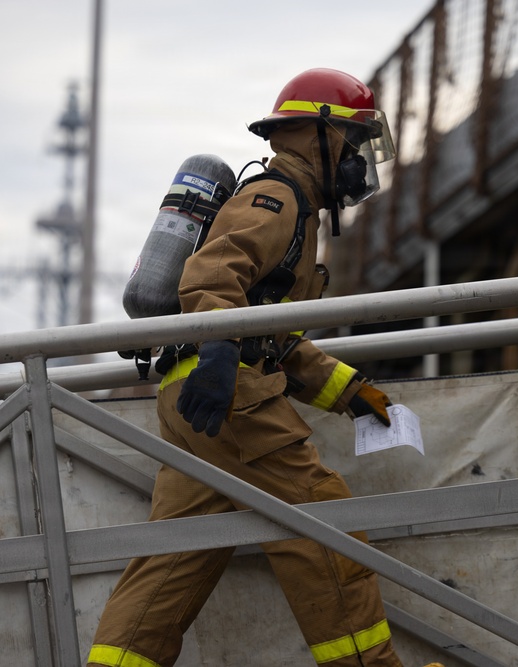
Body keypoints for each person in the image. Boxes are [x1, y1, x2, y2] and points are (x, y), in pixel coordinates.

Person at [88, 68, 442, 667]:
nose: (359, 164)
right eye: (353, 147)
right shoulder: (276, 199)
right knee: (324, 523)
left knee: (174, 558)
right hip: (229, 398)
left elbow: (271, 341)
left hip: (196, 397)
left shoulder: (293, 211)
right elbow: (209, 277)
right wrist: (223, 353)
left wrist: (350, 393)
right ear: (321, 138)